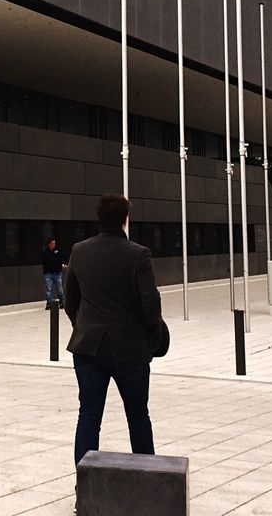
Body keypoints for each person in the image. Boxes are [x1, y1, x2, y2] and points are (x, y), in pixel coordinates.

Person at [64, 195, 163, 466]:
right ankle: (147, 482)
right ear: (124, 219)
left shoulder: (79, 250)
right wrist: (154, 336)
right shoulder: (138, 254)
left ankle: (83, 488)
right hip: (129, 347)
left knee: (89, 415)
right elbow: (150, 304)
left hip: (88, 347)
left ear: (99, 218)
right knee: (138, 414)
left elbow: (70, 300)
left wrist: (84, 327)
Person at [42, 237, 67, 309]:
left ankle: (62, 302)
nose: (54, 244)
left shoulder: (58, 251)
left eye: (54, 243)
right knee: (49, 289)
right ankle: (49, 303)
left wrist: (64, 264)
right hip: (48, 273)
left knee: (60, 289)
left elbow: (64, 257)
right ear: (49, 244)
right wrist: (45, 272)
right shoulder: (45, 252)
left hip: (58, 273)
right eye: (53, 243)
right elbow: (44, 263)